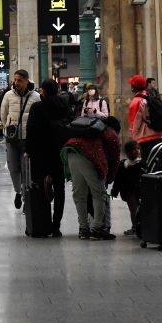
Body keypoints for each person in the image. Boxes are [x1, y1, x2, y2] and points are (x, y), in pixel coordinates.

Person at [64, 101, 120, 241]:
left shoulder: (93, 127)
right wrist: (109, 179)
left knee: (79, 194)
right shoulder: (112, 134)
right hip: (88, 157)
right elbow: (115, 160)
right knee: (99, 194)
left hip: (71, 151)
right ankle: (96, 230)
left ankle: (83, 229)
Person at [26, 79, 70, 236]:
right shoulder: (63, 105)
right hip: (59, 152)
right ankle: (56, 225)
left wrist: (28, 150)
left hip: (41, 153)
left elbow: (31, 130)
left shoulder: (38, 107)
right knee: (60, 189)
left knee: (39, 187)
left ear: (43, 90)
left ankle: (42, 223)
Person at [0, 69, 41, 209]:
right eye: (15, 80)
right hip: (12, 138)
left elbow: (38, 117)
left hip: (29, 139)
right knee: (13, 168)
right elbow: (3, 115)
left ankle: (25, 196)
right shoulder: (8, 95)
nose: (16, 83)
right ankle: (18, 192)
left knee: (26, 169)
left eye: (19, 80)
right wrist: (9, 126)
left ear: (27, 80)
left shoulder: (35, 96)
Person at [127, 74, 162, 161]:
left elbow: (134, 122)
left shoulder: (135, 101)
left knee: (146, 162)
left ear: (133, 87)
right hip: (158, 134)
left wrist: (133, 137)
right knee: (155, 161)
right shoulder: (151, 97)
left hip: (145, 137)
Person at [111, 139, 142, 236]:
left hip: (139, 190)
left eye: (137, 148)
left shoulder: (141, 164)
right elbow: (118, 179)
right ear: (127, 153)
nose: (136, 151)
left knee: (138, 209)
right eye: (133, 150)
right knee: (133, 209)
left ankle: (139, 227)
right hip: (129, 192)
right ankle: (135, 227)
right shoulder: (123, 165)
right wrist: (114, 191)